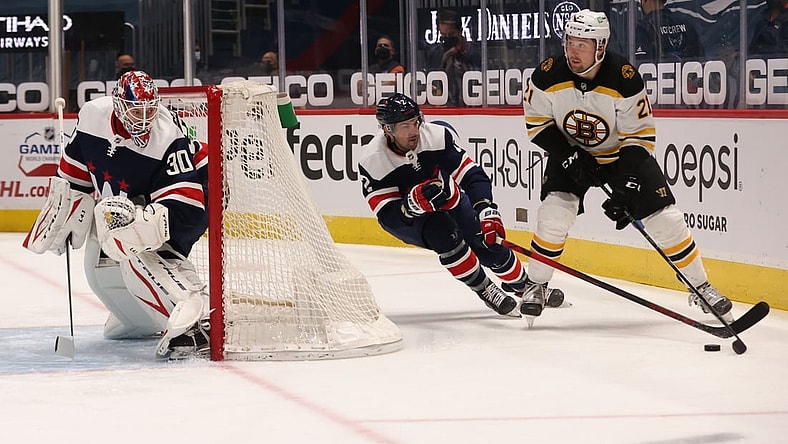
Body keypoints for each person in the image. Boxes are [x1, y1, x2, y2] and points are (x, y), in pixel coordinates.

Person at [520, 9, 733, 325]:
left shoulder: (623, 77)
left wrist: (627, 183)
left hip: (622, 157)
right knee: (554, 212)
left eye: (583, 44)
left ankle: (701, 286)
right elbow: (537, 123)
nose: (573, 51)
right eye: (570, 42)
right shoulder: (548, 74)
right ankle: (535, 284)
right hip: (572, 152)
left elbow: (639, 135)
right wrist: (568, 155)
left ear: (601, 47)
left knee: (666, 220)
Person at [23, 70, 211, 359]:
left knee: (133, 250)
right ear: (119, 106)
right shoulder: (92, 115)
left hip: (193, 195)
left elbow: (189, 209)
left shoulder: (168, 135)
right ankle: (137, 318)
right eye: (137, 111)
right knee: (98, 266)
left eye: (150, 110)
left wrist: (146, 226)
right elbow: (75, 174)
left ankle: (195, 321)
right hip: (125, 206)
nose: (145, 118)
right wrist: (67, 205)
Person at [358, 93, 546, 319]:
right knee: (445, 235)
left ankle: (522, 284)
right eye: (405, 125)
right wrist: (410, 207)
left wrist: (486, 208)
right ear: (388, 129)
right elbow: (388, 217)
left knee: (487, 241)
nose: (414, 130)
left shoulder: (436, 136)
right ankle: (484, 288)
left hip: (451, 200)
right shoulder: (373, 161)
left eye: (416, 121)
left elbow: (472, 175)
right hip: (414, 219)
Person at [426, 9, 480, 107]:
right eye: (443, 35)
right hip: (445, 107)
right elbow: (431, 82)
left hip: (470, 108)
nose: (447, 38)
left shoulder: (473, 53)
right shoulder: (435, 54)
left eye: (451, 34)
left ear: (460, 31)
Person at [634, 0, 704, 64]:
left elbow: (642, 64)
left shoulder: (643, 28)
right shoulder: (685, 24)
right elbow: (702, 60)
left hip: (659, 76)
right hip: (687, 76)